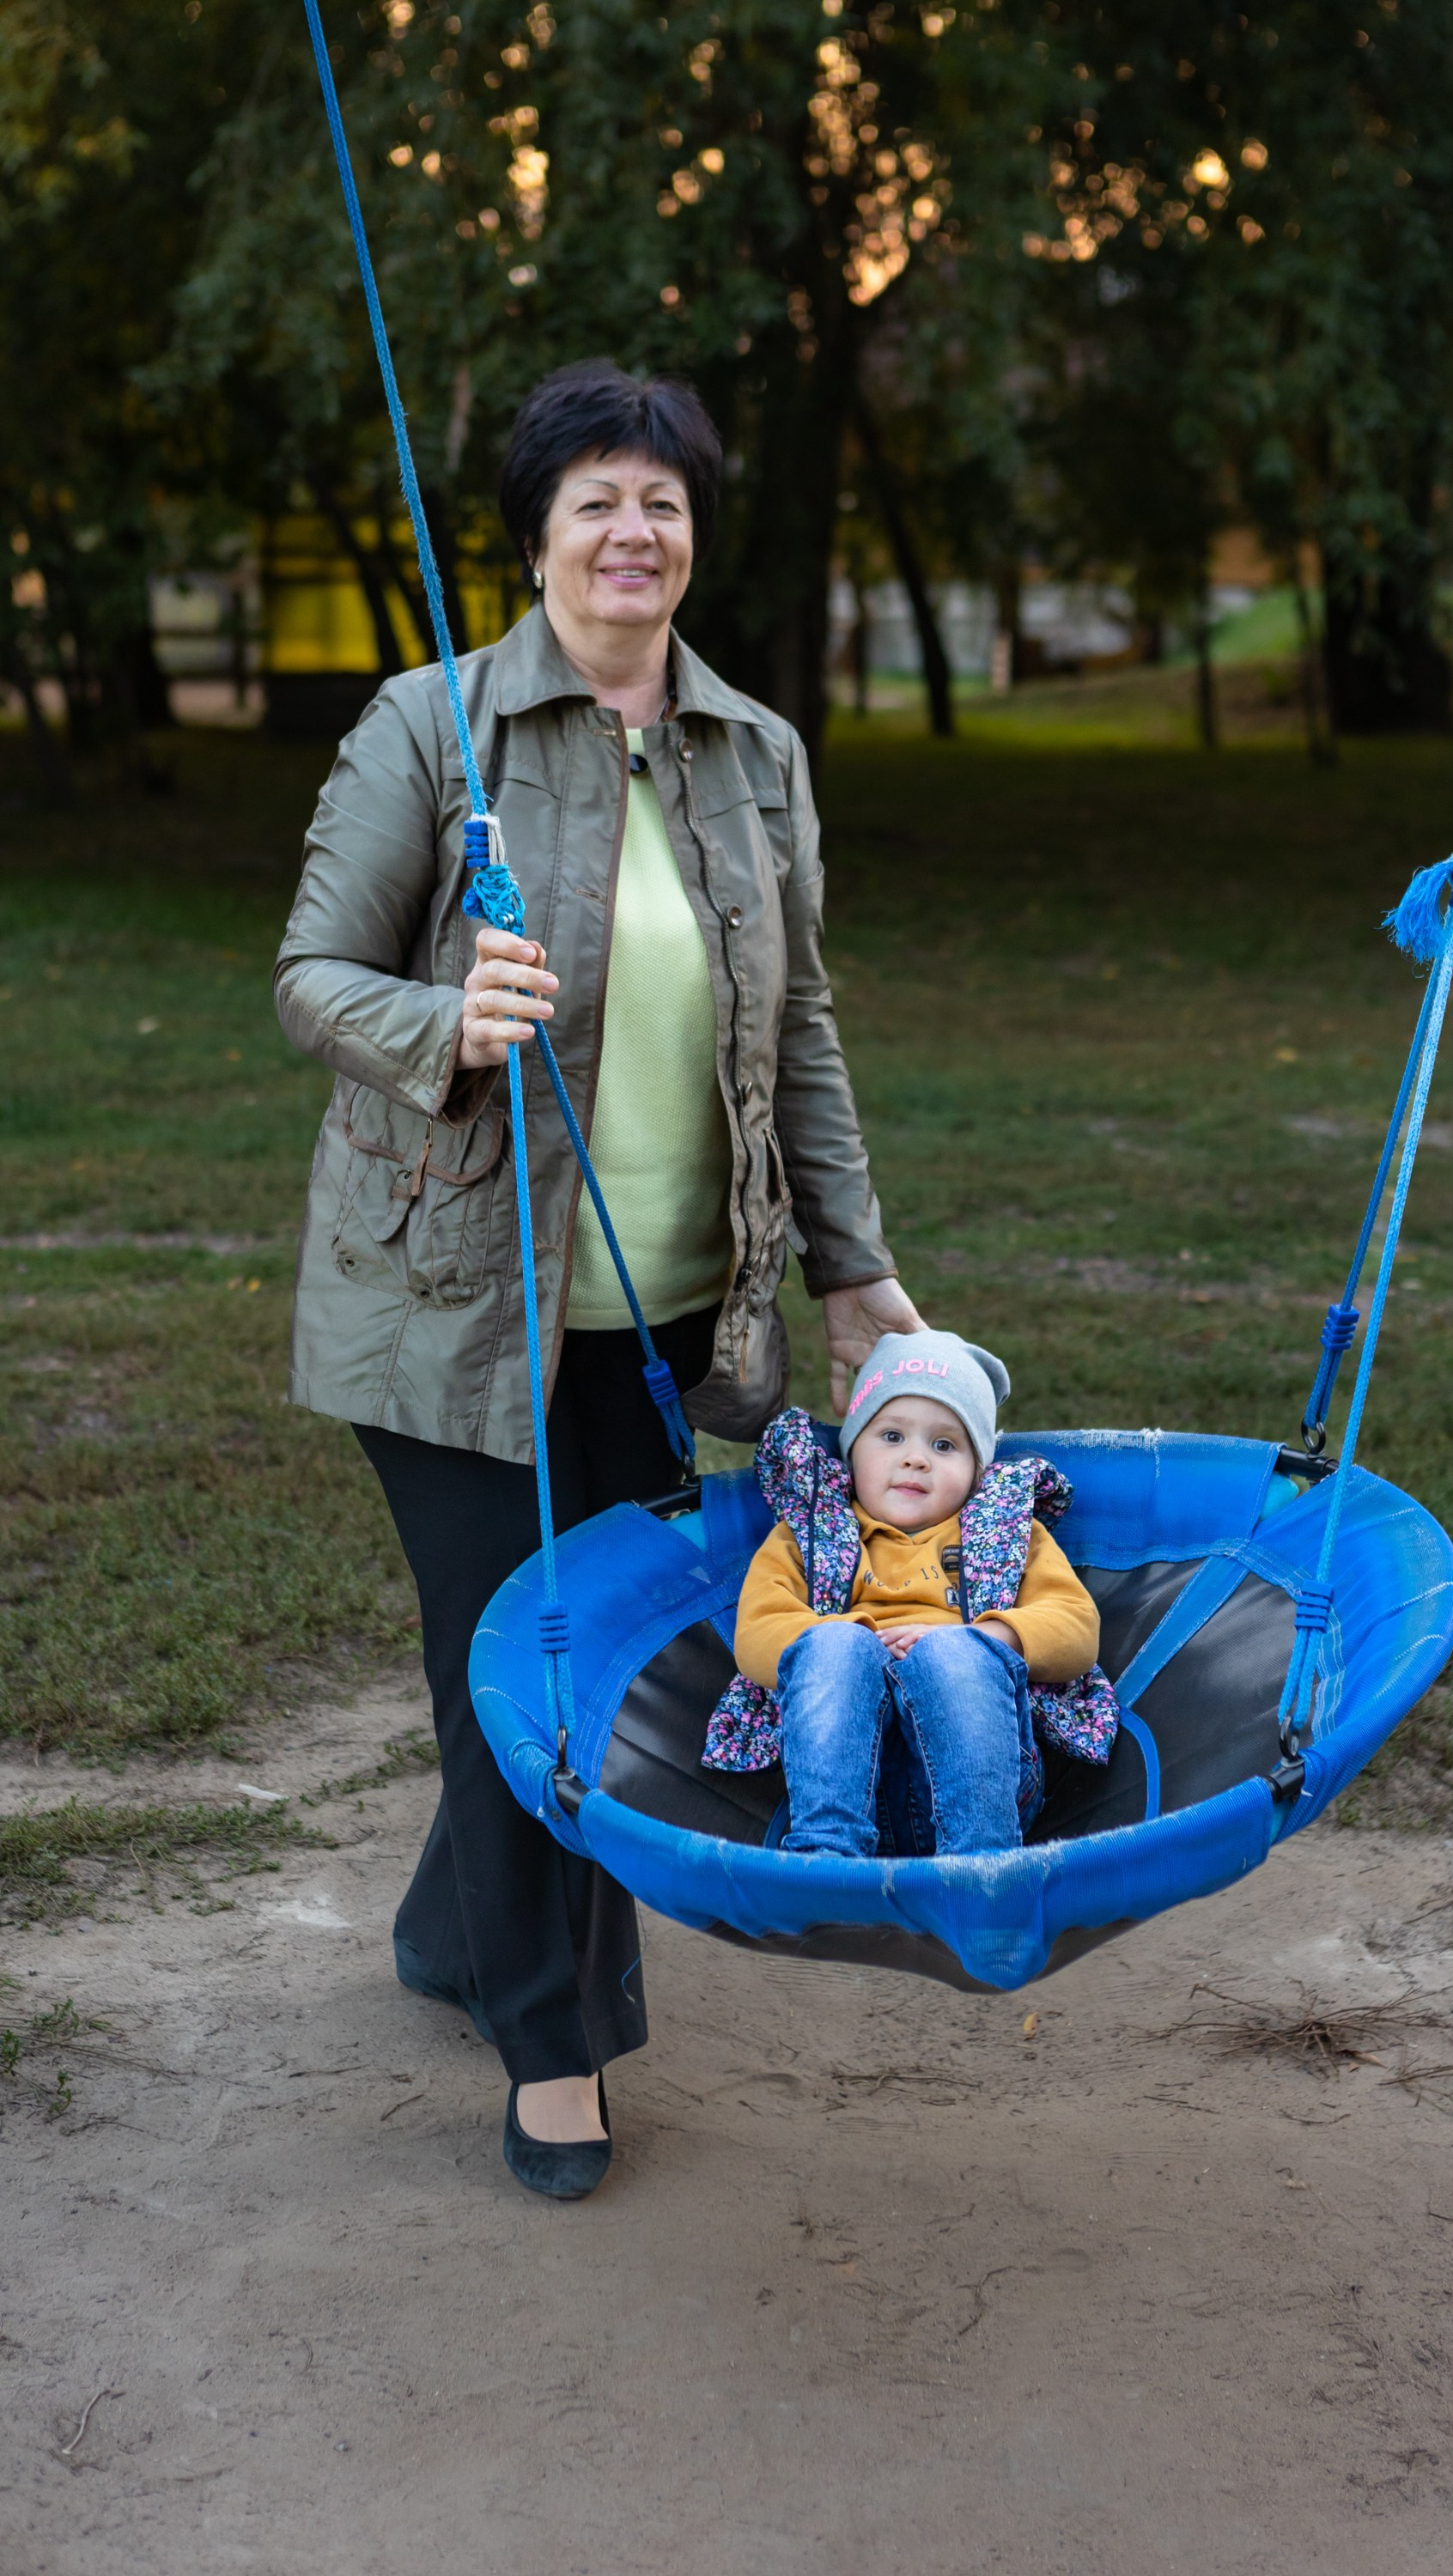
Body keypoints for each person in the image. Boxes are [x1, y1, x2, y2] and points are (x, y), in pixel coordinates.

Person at [275, 359, 922, 2199]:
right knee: (541, 1671)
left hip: (663, 1310)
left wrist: (857, 1271)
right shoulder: (432, 724)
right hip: (454, 1305)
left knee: (592, 1655)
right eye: (596, 503)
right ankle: (556, 2050)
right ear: (539, 537)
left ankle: (450, 1929)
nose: (633, 532)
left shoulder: (756, 751)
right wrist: (443, 1020)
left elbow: (797, 1035)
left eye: (663, 502)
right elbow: (313, 973)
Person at [702, 1333, 1121, 1857]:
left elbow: (1077, 1628)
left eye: (944, 1445)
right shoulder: (808, 1533)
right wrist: (858, 1642)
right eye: (892, 1436)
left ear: (976, 1472)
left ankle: (983, 1865)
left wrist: (983, 1637)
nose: (916, 1459)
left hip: (984, 1790)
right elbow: (759, 1632)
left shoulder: (1007, 1536)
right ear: (853, 1451)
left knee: (954, 1655)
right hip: (844, 1784)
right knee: (832, 1647)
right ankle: (826, 1855)